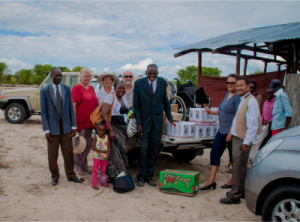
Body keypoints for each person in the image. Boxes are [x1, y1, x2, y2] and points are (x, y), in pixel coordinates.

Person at [133, 64, 177, 187]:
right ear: (146, 72)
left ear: (157, 73)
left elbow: (165, 101)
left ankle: (149, 176)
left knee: (154, 151)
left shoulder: (162, 82)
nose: (152, 76)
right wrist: (139, 123)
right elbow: (136, 106)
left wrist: (170, 117)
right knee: (143, 150)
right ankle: (141, 176)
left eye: (154, 73)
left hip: (157, 123)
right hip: (144, 124)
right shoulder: (139, 83)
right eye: (149, 73)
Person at [220, 76, 262, 205]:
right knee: (240, 166)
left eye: (241, 85)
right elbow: (238, 118)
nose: (238, 88)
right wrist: (232, 133)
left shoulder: (251, 101)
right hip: (237, 136)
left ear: (248, 87)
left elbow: (253, 124)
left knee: (238, 167)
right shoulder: (244, 99)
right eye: (237, 85)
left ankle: (234, 196)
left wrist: (246, 142)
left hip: (242, 138)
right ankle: (240, 190)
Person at [40, 67, 82, 186]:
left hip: (66, 126)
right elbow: (43, 113)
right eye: (56, 75)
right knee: (53, 154)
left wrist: (74, 126)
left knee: (68, 152)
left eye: (60, 76)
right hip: (52, 128)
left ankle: (71, 175)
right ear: (51, 76)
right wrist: (46, 130)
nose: (59, 78)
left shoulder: (66, 89)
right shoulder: (45, 91)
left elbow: (70, 109)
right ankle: (55, 176)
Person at [200, 74, 240, 191]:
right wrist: (211, 112)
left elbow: (237, 116)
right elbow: (222, 110)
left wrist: (231, 133)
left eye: (232, 83)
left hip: (231, 132)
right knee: (214, 153)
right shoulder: (228, 94)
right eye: (228, 83)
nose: (230, 85)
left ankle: (233, 180)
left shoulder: (237, 97)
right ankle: (211, 181)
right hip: (221, 130)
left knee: (233, 157)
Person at [71, 68, 97, 175]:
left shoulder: (91, 88)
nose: (87, 78)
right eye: (85, 76)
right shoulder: (76, 88)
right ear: (81, 77)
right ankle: (77, 166)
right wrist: (74, 123)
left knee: (88, 144)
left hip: (90, 122)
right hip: (80, 121)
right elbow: (73, 106)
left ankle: (84, 164)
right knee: (79, 144)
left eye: (89, 76)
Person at [102, 81, 130, 179]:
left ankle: (120, 174)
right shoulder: (110, 97)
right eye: (119, 88)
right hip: (113, 127)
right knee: (113, 153)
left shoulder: (125, 101)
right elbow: (104, 113)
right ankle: (112, 175)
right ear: (114, 89)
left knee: (122, 151)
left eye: (123, 88)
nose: (122, 90)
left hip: (122, 129)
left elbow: (126, 116)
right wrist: (110, 130)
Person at [122, 70, 140, 152]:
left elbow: (141, 104)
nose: (128, 78)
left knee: (131, 143)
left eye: (130, 76)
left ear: (133, 78)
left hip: (132, 121)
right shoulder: (118, 90)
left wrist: (135, 112)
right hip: (121, 121)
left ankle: (120, 156)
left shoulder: (137, 91)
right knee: (120, 141)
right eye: (126, 76)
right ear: (123, 78)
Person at [91, 120, 110, 190]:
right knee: (95, 171)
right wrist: (102, 151)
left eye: (103, 130)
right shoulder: (95, 137)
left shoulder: (107, 137)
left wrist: (107, 156)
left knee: (103, 171)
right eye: (99, 130)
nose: (101, 132)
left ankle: (103, 182)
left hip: (104, 158)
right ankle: (94, 184)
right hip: (96, 157)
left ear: (105, 130)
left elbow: (109, 148)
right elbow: (93, 147)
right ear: (96, 129)